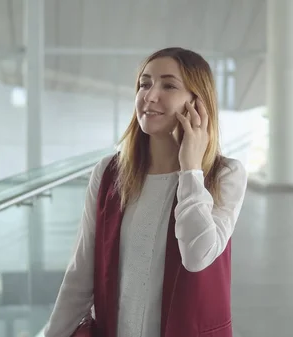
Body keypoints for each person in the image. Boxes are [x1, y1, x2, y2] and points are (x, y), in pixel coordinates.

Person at [44, 47, 247, 337]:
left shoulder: (226, 175)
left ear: (197, 103)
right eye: (144, 83)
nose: (150, 96)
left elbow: (197, 255)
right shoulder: (108, 173)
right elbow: (80, 275)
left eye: (169, 85)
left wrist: (190, 168)